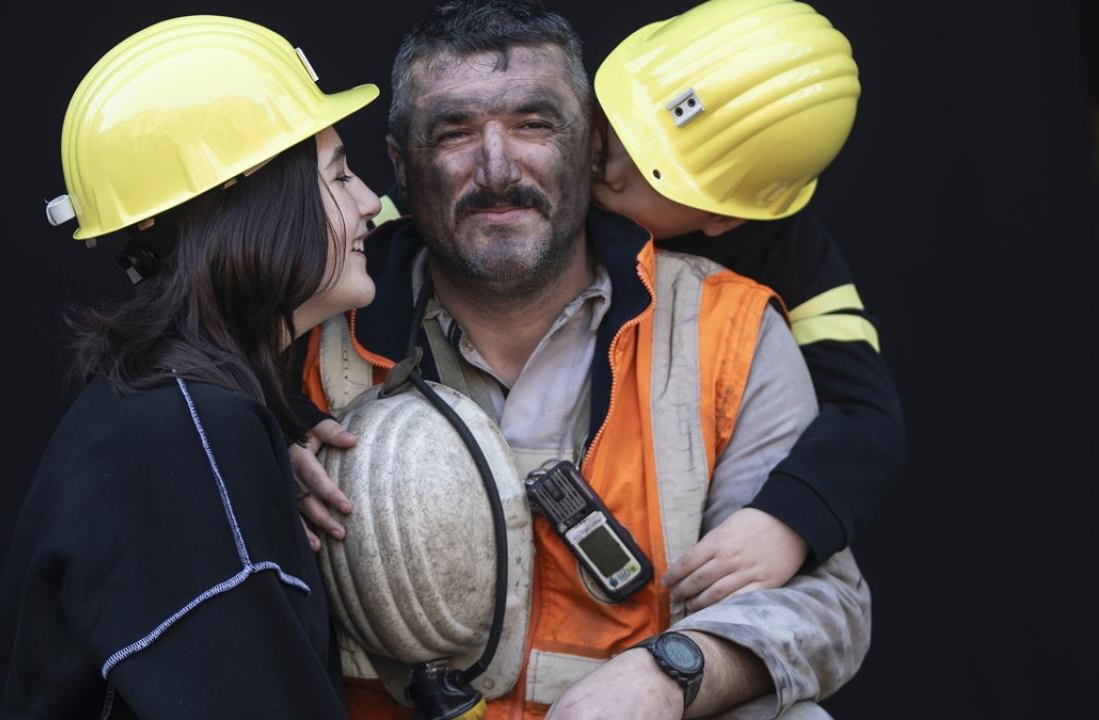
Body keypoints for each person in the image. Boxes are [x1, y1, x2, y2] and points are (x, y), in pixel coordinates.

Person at [295, 1, 869, 718]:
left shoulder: (728, 328)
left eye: (534, 125)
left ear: (589, 145)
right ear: (401, 167)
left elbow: (825, 605)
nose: (497, 168)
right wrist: (268, 478)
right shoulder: (310, 334)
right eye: (454, 132)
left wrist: (673, 676)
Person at [0, 16, 381, 719]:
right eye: (339, 176)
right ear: (249, 207)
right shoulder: (186, 447)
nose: (371, 201)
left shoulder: (164, 419)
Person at [590, 0, 906, 611]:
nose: (605, 165)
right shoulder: (547, 132)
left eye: (649, 171)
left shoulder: (786, 250)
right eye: (613, 127)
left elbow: (869, 414)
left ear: (722, 216)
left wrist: (785, 521)